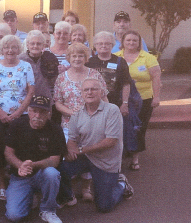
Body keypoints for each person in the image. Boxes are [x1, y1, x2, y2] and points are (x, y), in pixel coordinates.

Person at [57, 78, 134, 212]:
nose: (90, 92)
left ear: (102, 92)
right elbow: (72, 139)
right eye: (86, 90)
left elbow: (111, 141)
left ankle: (122, 185)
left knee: (104, 206)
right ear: (81, 93)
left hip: (106, 162)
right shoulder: (77, 114)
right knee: (59, 168)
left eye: (94, 89)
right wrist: (70, 151)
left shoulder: (112, 110)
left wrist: (80, 150)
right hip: (86, 157)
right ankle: (68, 196)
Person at [54, 42, 108, 202]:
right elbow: (57, 102)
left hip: (92, 124)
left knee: (89, 154)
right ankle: (68, 190)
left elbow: (104, 97)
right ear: (69, 58)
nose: (77, 59)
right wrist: (74, 114)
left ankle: (86, 188)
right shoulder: (61, 77)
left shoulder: (95, 75)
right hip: (69, 124)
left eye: (80, 56)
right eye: (74, 56)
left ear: (86, 58)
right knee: (69, 157)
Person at [4, 95, 66, 223]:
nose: (37, 115)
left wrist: (32, 165)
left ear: (49, 113)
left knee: (52, 173)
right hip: (20, 176)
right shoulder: (17, 125)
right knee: (14, 215)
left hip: (42, 173)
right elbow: (8, 153)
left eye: (42, 112)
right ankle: (29, 197)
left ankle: (48, 210)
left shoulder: (55, 129)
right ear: (28, 110)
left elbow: (54, 161)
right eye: (34, 110)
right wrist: (20, 165)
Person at [0, 34, 35, 201]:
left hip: (21, 115)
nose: (10, 50)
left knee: (21, 149)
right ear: (1, 49)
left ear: (18, 49)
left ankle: (19, 181)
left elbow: (30, 92)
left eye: (14, 47)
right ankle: (1, 184)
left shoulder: (26, 66)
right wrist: (0, 112)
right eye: (6, 47)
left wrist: (18, 113)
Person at [115, 30, 161, 170]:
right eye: (128, 40)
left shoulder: (148, 58)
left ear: (139, 43)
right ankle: (120, 157)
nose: (131, 43)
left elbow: (156, 78)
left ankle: (135, 158)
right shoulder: (116, 57)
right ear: (122, 42)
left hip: (143, 99)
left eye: (134, 40)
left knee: (138, 128)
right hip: (121, 99)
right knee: (119, 128)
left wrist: (157, 97)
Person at [86, 31, 131, 114]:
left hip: (115, 104)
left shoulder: (120, 61)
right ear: (95, 45)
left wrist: (125, 103)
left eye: (107, 43)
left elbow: (126, 84)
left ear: (112, 45)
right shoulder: (89, 62)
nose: (103, 46)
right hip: (93, 104)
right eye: (100, 43)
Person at [18, 30, 59, 100]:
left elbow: (54, 81)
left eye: (38, 44)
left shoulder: (49, 58)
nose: (35, 46)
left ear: (43, 45)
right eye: (32, 44)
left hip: (45, 99)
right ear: (27, 45)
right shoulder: (20, 60)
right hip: (24, 100)